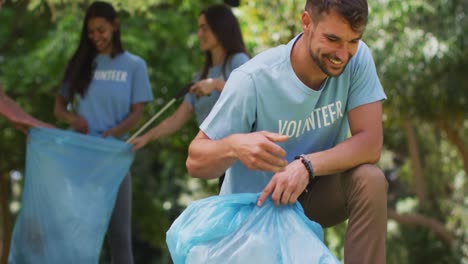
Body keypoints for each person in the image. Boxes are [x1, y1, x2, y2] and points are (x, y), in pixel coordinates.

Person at [185, 0, 387, 264]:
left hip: (309, 198)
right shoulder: (253, 79)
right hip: (253, 214)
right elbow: (195, 160)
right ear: (306, 23)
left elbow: (370, 144)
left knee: (369, 180)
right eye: (333, 39)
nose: (343, 53)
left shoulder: (357, 59)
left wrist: (306, 165)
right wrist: (235, 146)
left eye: (353, 41)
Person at [54, 2, 154, 263]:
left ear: (115, 25)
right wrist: (72, 119)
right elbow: (58, 107)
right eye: (90, 32)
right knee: (79, 232)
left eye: (101, 29)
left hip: (114, 157)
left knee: (119, 236)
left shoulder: (135, 65)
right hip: (80, 157)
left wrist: (114, 132)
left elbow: (137, 112)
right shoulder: (79, 64)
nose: (95, 36)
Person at [130, 4, 249, 188]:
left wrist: (216, 85)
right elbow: (177, 118)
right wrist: (146, 137)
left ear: (221, 28)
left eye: (205, 28)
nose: (199, 33)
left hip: (245, 161)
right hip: (222, 163)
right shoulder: (199, 78)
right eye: (198, 28)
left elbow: (251, 96)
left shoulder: (238, 60)